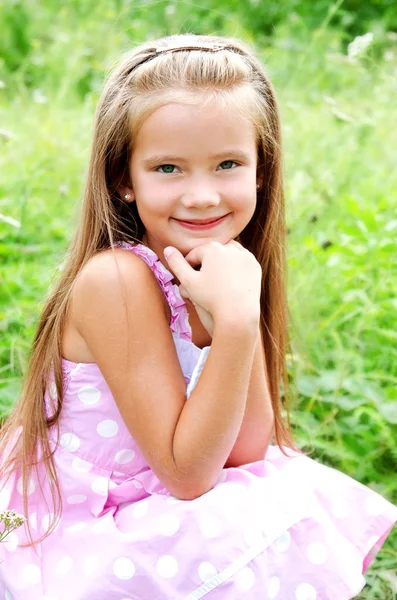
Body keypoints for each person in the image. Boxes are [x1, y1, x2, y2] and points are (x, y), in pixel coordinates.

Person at [0, 32, 396, 600]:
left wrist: (236, 310)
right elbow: (188, 478)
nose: (203, 195)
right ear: (123, 180)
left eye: (228, 164)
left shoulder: (219, 271)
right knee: (234, 522)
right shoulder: (117, 280)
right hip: (82, 524)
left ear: (262, 170)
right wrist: (234, 326)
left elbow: (246, 452)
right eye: (168, 169)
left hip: (163, 485)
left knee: (278, 488)